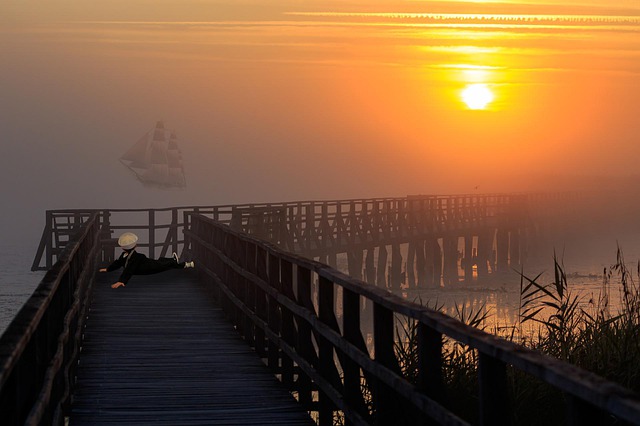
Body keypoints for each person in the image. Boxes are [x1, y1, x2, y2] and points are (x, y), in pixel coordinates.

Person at [99, 232, 195, 289]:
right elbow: (123, 266)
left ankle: (181, 263)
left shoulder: (133, 257)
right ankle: (181, 263)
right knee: (162, 263)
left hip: (147, 266)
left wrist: (121, 280)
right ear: (135, 246)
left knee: (162, 263)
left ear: (123, 248)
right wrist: (109, 270)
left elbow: (127, 269)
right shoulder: (131, 256)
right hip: (147, 267)